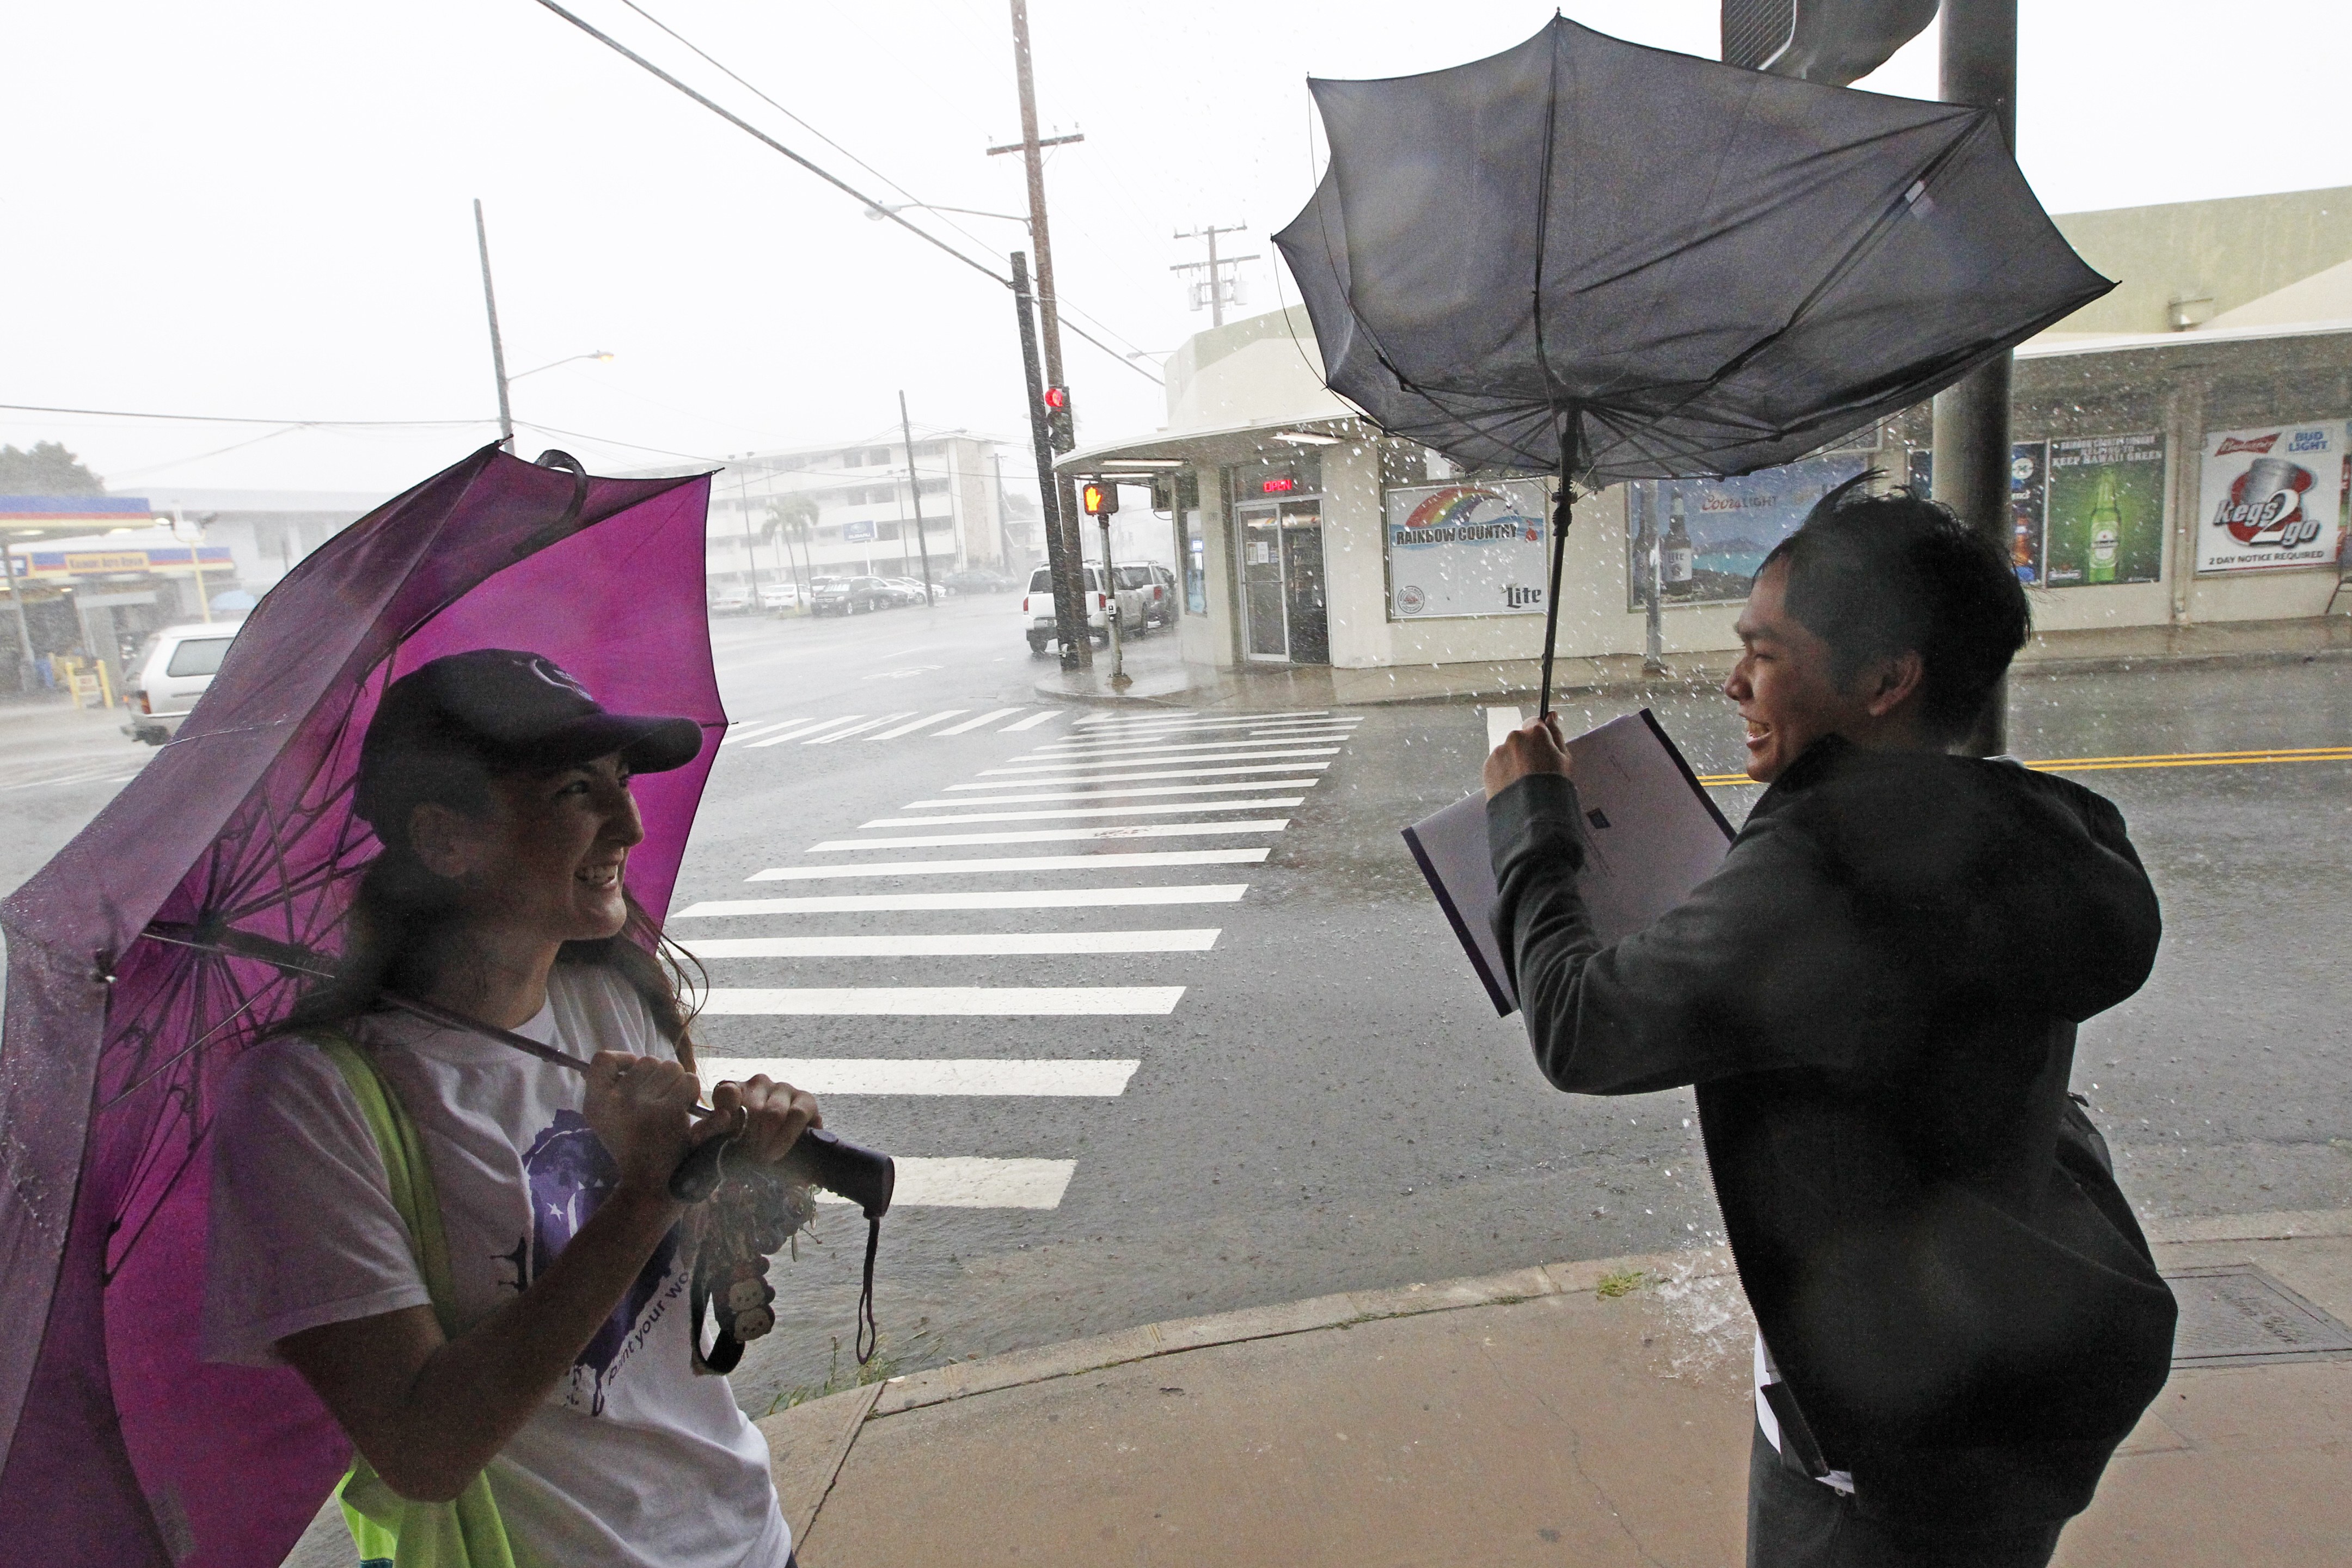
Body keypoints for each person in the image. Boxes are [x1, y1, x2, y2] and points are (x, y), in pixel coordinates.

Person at [1483, 482, 2175, 1567]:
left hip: (1887, 1449)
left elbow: (1579, 1027)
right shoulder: (2040, 823)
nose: (1733, 682)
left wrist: (1532, 824)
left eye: (1766, 651)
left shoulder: (1823, 868)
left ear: (1887, 680)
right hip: (2021, 1395)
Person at [204, 649, 818, 1568]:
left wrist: (741, 1158)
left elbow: (673, 1280)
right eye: (579, 790)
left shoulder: (610, 991)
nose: (630, 823)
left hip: (742, 1533)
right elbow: (422, 1450)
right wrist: (646, 1194)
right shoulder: (311, 1100)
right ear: (448, 839)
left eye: (621, 781)